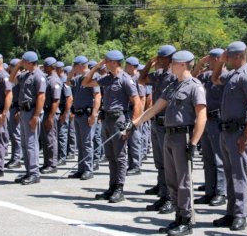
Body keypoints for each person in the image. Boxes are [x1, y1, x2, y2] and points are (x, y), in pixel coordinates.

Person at [129, 51, 207, 236]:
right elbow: (155, 108)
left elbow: (201, 116)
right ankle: (178, 217)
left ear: (183, 65)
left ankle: (186, 220)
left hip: (183, 136)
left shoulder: (195, 86)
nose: (170, 66)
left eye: (173, 63)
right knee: (171, 180)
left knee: (183, 181)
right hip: (169, 136)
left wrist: (194, 143)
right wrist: (135, 123)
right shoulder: (173, 85)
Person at [210, 41, 247, 232]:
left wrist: (246, 135)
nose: (228, 59)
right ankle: (230, 212)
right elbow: (215, 79)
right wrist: (220, 62)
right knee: (231, 173)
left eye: (229, 57)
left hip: (238, 131)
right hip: (226, 131)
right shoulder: (233, 75)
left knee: (239, 175)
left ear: (239, 56)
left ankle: (240, 215)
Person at [82, 50, 141, 203]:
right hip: (107, 119)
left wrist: (131, 125)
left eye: (107, 61)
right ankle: (112, 186)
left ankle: (119, 189)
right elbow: (86, 82)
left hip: (119, 119)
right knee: (110, 156)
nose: (105, 63)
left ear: (114, 63)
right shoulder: (107, 79)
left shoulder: (126, 80)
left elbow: (138, 103)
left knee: (120, 156)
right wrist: (95, 67)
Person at [139, 45, 177, 212]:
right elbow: (142, 79)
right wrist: (148, 63)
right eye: (158, 57)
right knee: (160, 163)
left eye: (162, 58)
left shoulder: (174, 76)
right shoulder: (158, 75)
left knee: (169, 164)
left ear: (170, 59)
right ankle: (163, 195)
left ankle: (171, 198)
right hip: (156, 122)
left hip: (166, 122)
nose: (159, 60)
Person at [193, 48, 228, 207]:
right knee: (207, 158)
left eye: (212, 60)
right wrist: (199, 63)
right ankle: (209, 191)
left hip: (218, 119)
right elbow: (191, 78)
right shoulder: (206, 76)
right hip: (206, 120)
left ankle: (221, 192)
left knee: (219, 158)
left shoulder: (226, 75)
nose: (210, 62)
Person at [12, 52, 47, 185]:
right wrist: (18, 66)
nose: (22, 63)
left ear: (31, 62)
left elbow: (41, 97)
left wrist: (36, 116)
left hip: (32, 111)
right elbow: (12, 79)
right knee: (25, 144)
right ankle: (28, 171)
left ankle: (34, 173)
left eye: (24, 61)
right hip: (24, 111)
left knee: (31, 144)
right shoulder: (26, 75)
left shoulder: (39, 76)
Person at [66, 55, 101, 180]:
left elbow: (97, 96)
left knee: (87, 143)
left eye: (75, 65)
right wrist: (71, 72)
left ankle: (88, 169)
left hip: (87, 115)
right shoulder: (78, 78)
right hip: (78, 114)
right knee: (80, 144)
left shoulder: (92, 77)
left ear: (81, 66)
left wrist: (94, 114)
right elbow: (67, 82)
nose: (73, 67)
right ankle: (81, 169)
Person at [40, 57, 62, 174]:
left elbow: (56, 100)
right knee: (46, 139)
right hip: (47, 112)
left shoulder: (54, 80)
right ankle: (47, 163)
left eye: (45, 66)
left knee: (51, 139)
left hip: (51, 113)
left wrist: (50, 117)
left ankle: (52, 164)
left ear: (50, 67)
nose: (44, 68)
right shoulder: (48, 79)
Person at [6, 59, 23, 170]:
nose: (9, 68)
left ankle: (17, 158)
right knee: (13, 134)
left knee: (16, 135)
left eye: (11, 66)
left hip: (18, 107)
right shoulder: (15, 77)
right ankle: (14, 157)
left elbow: (24, 95)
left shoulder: (21, 78)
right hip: (13, 107)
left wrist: (20, 110)